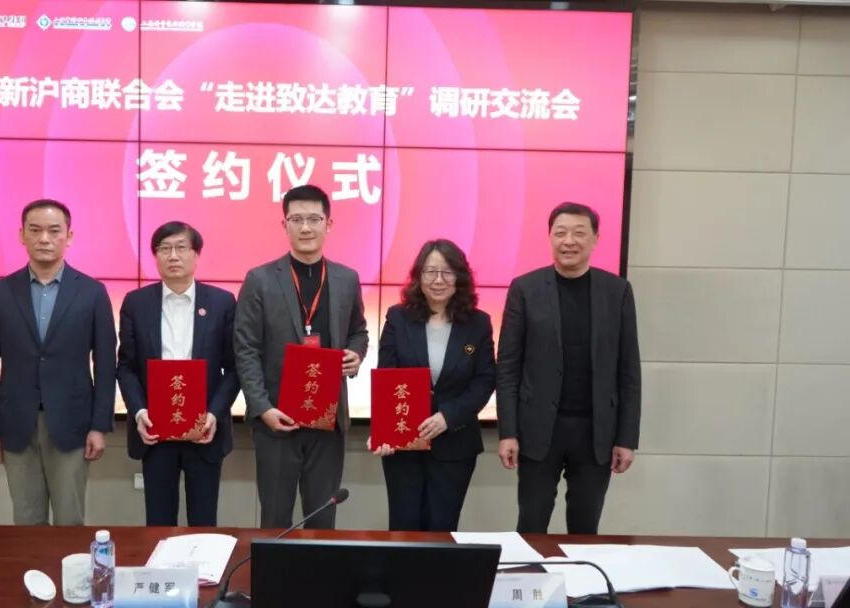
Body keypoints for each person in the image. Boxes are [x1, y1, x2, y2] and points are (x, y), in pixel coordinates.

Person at [496, 202, 641, 534]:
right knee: (531, 524)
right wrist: (508, 432)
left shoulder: (617, 291)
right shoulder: (525, 289)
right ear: (550, 237)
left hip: (595, 433)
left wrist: (626, 438)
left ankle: (581, 571)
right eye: (560, 233)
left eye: (579, 233)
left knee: (585, 527)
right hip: (537, 430)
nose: (569, 241)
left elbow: (629, 370)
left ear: (595, 239)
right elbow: (507, 367)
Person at [0, 198, 116, 526]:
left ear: (69, 236)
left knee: (70, 520)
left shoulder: (92, 292)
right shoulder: (0, 292)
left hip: (73, 424)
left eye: (54, 231)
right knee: (26, 521)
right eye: (35, 230)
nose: (44, 239)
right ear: (21, 235)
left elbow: (106, 365)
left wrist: (99, 426)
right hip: (15, 424)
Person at [234, 184, 369, 530]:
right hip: (277, 420)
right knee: (275, 519)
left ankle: (319, 571)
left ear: (328, 224)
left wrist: (356, 354)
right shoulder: (260, 279)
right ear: (285, 225)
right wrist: (262, 408)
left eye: (314, 219)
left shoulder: (347, 279)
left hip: (328, 421)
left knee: (322, 518)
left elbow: (359, 331)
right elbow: (246, 349)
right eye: (296, 219)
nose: (305, 227)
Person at [116, 221, 239, 527]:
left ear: (196, 254)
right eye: (164, 248)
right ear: (155, 256)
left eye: (181, 248)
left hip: (205, 431)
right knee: (158, 524)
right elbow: (126, 366)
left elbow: (234, 368)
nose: (173, 256)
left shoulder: (222, 302)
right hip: (155, 431)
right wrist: (139, 411)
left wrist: (214, 413)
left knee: (203, 523)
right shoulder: (136, 303)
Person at [370, 239, 496, 531]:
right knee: (403, 528)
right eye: (430, 272)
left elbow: (485, 379)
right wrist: (383, 430)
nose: (438, 280)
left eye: (447, 272)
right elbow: (387, 375)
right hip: (404, 443)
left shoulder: (478, 323)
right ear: (418, 276)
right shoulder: (398, 318)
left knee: (442, 528)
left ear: (460, 276)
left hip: (455, 444)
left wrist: (448, 416)